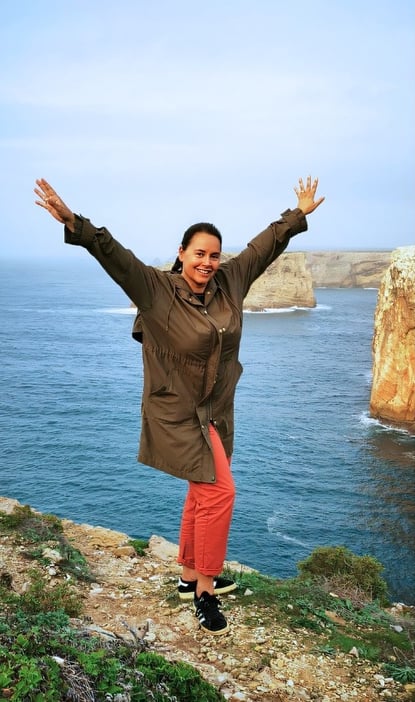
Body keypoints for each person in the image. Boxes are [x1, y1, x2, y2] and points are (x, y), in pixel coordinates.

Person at [34, 176, 324, 635]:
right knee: (219, 492)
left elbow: (263, 247)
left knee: (201, 490)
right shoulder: (157, 290)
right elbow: (115, 256)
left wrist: (298, 214)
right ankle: (206, 592)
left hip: (216, 410)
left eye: (214, 255)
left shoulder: (231, 281)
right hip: (176, 412)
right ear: (182, 252)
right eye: (199, 253)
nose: (208, 262)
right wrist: (74, 222)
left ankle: (189, 577)